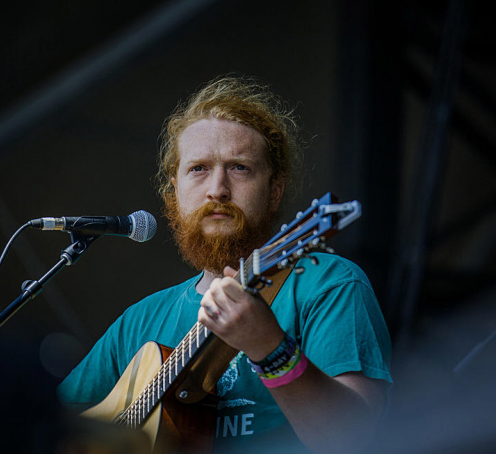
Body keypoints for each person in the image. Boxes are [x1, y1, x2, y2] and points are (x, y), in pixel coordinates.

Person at [58, 75, 392, 453]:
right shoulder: (138, 322)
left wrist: (269, 347)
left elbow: (359, 438)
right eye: (198, 168)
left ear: (275, 190)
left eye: (239, 168)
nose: (217, 188)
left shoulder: (329, 284)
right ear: (175, 189)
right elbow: (42, 426)